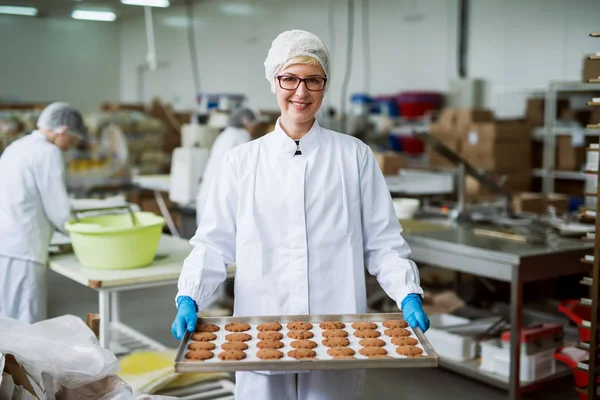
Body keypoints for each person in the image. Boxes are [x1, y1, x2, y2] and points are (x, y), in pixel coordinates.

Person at [171, 30, 429, 400]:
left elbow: (383, 243)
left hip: (337, 331)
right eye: (289, 79)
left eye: (313, 80)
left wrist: (407, 292)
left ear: (325, 86)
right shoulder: (242, 162)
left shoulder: (354, 157)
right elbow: (214, 244)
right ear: (274, 82)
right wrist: (190, 296)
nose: (301, 92)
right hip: (260, 332)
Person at [0, 102, 86, 323]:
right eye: (73, 138)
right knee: (27, 321)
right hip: (24, 247)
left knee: (6, 319)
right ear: (63, 130)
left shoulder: (17, 146)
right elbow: (58, 208)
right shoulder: (48, 152)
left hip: (6, 241)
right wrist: (82, 232)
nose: (71, 145)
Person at [195, 107, 257, 225]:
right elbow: (247, 172)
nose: (253, 129)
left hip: (206, 196)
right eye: (253, 125)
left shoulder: (224, 136)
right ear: (245, 122)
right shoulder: (241, 138)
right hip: (221, 201)